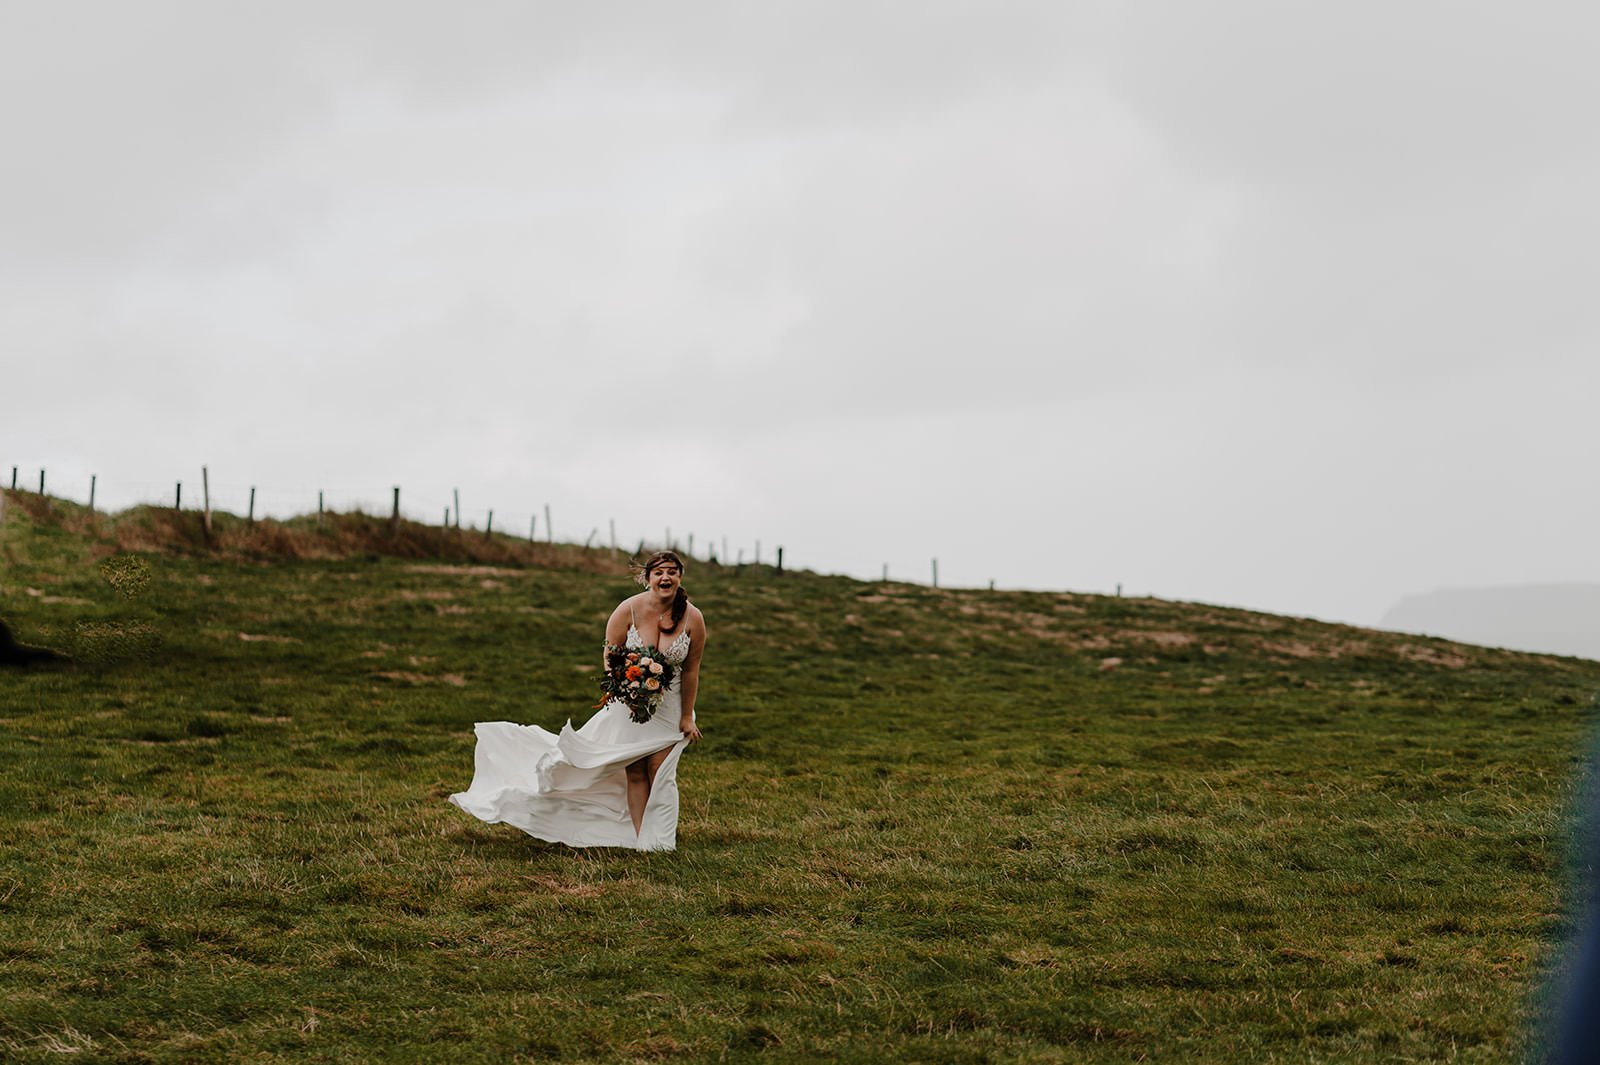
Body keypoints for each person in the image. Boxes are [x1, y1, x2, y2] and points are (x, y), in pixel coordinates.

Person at [449, 551, 705, 851]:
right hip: (630, 703)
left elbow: (691, 671)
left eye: (672, 572)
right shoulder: (627, 610)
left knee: (661, 773)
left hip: (670, 708)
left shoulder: (693, 618)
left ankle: (662, 844)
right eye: (659, 572)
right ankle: (642, 841)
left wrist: (687, 716)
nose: (666, 577)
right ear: (647, 578)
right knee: (635, 772)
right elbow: (611, 658)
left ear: (680, 577)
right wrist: (629, 686)